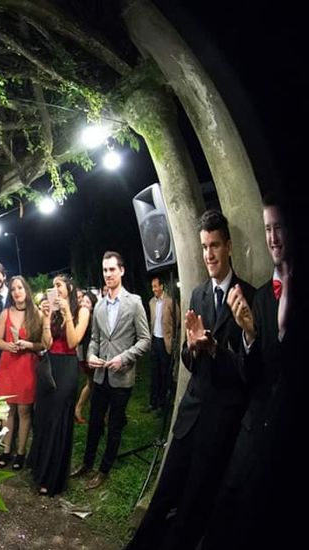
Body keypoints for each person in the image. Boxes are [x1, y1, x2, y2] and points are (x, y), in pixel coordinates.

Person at [128, 210, 255, 550]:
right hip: (190, 416)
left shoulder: (250, 297)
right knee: (164, 495)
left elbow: (248, 373)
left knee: (194, 505)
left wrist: (214, 349)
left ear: (228, 247)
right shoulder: (198, 294)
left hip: (219, 422)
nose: (209, 255)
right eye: (203, 247)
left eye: (214, 246)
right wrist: (192, 348)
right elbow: (187, 359)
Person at [200, 194, 293, 548]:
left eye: (280, 227)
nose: (273, 237)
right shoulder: (263, 299)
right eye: (268, 228)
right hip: (254, 427)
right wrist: (250, 334)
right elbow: (254, 372)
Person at [71, 251, 150, 490]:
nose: (108, 274)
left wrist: (124, 358)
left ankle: (103, 469)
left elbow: (145, 340)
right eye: (105, 270)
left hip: (121, 377)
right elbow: (94, 338)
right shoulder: (100, 305)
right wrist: (91, 355)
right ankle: (86, 463)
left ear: (122, 271)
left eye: (112, 269)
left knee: (114, 426)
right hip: (100, 375)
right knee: (94, 423)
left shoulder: (134, 302)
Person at [29, 274, 91, 496]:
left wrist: (67, 314)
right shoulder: (52, 310)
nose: (55, 289)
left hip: (67, 367)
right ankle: (40, 469)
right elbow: (47, 343)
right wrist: (46, 318)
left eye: (59, 285)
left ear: (69, 287)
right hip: (48, 366)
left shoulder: (82, 309)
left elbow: (74, 341)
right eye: (53, 285)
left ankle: (53, 477)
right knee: (43, 417)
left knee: (57, 420)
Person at [0, 276, 50, 470]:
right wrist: (9, 346)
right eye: (13, 289)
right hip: (8, 365)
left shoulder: (37, 314)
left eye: (20, 288)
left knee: (24, 411)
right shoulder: (5, 313)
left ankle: (21, 453)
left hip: (27, 365)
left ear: (26, 290)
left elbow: (44, 344)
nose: (17, 291)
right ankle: (6, 450)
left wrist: (28, 345)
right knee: (8, 410)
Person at [147, 275, 177, 414]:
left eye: (155, 286)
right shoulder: (152, 302)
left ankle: (163, 405)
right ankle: (153, 402)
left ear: (161, 287)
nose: (153, 289)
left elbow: (177, 320)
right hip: (155, 341)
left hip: (166, 342)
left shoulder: (170, 302)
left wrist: (171, 335)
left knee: (165, 374)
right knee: (154, 372)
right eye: (152, 287)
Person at [74, 289, 98, 424]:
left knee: (91, 384)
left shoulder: (93, 317)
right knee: (92, 384)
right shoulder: (82, 318)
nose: (84, 304)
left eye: (87, 302)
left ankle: (79, 409)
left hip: (91, 356)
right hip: (86, 356)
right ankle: (82, 410)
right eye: (83, 301)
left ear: (93, 305)